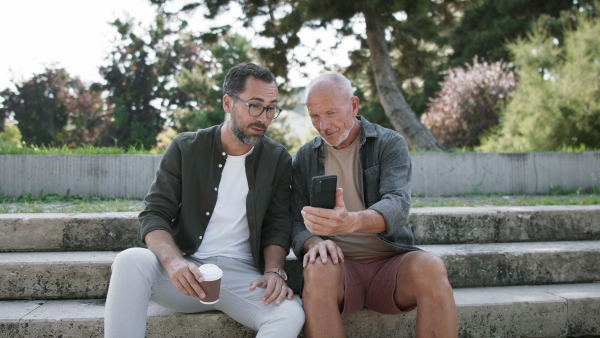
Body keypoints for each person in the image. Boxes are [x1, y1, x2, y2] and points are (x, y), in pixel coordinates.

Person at [105, 62, 305, 337]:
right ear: (228, 102)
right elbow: (154, 214)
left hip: (243, 280)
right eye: (255, 105)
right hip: (186, 274)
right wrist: (175, 263)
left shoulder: (278, 158)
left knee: (290, 313)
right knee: (129, 260)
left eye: (271, 108)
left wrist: (274, 271)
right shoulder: (186, 148)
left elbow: (278, 222)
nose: (264, 117)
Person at [291, 73, 458, 338]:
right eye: (315, 116)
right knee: (317, 269)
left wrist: (352, 222)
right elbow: (296, 221)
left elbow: (397, 205)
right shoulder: (304, 157)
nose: (323, 125)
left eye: (331, 113)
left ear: (354, 105)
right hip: (339, 270)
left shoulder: (388, 143)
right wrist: (314, 243)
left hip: (391, 264)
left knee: (431, 266)